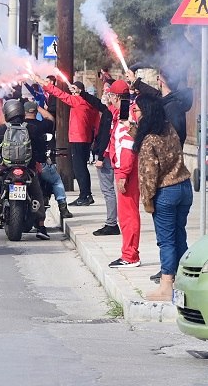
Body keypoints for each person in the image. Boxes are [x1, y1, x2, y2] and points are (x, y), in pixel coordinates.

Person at [134, 94, 193, 301]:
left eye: (137, 109)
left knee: (166, 241)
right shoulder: (170, 130)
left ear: (146, 112)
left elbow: (149, 175)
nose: (134, 112)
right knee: (179, 235)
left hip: (166, 191)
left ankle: (166, 285)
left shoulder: (149, 140)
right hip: (184, 187)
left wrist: (147, 200)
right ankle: (185, 281)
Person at [0, 98, 50, 240]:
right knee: (37, 194)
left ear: (7, 113)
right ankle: (42, 226)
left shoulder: (1, 129)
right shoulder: (32, 128)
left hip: (6, 169)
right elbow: (41, 149)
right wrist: (38, 161)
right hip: (27, 170)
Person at [40, 78, 100, 206]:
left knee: (78, 169)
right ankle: (86, 194)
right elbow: (96, 122)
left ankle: (84, 196)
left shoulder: (78, 100)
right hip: (87, 138)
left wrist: (46, 85)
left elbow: (60, 95)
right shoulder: (91, 104)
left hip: (77, 137)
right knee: (83, 167)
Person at [105, 81, 142, 268]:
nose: (109, 98)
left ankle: (130, 255)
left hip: (125, 170)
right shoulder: (124, 112)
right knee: (128, 213)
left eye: (111, 95)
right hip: (125, 169)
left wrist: (123, 174)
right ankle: (129, 252)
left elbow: (127, 146)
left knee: (128, 215)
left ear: (117, 97)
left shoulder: (126, 115)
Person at [24, 101, 73, 220]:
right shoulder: (42, 125)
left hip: (23, 164)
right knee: (56, 181)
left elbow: (1, 120)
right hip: (41, 163)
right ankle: (63, 207)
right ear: (35, 112)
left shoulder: (18, 127)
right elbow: (50, 117)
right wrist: (39, 107)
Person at [79, 84, 117, 236]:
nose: (103, 97)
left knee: (108, 190)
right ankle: (112, 222)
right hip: (111, 155)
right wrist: (82, 93)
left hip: (107, 156)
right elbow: (96, 102)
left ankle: (111, 223)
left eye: (107, 93)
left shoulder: (110, 113)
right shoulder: (112, 111)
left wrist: (100, 157)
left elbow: (106, 136)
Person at [126, 67, 193, 144]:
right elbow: (155, 94)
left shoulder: (172, 108)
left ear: (161, 82)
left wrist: (133, 130)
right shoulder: (170, 101)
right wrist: (135, 81)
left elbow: (164, 143)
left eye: (158, 78)